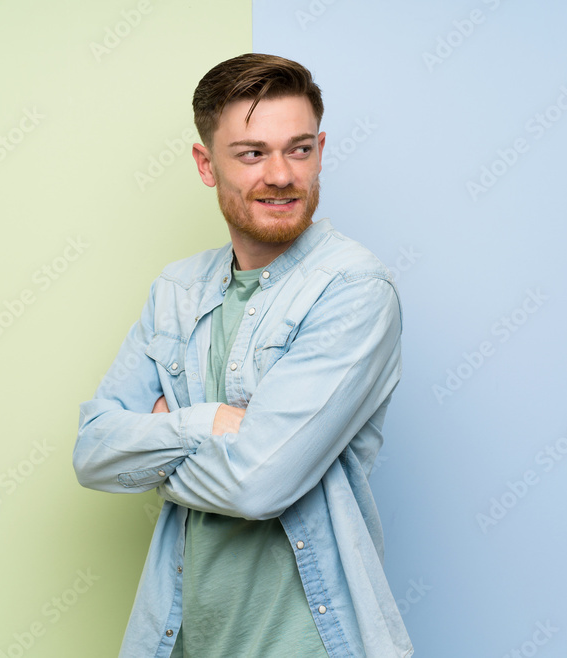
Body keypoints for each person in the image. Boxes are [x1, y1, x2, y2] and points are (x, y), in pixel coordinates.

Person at [74, 53, 413, 657]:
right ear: (207, 164)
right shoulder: (176, 292)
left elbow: (258, 486)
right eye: (252, 153)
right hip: (181, 639)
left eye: (299, 149)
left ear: (320, 150)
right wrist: (207, 423)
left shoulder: (353, 289)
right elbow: (94, 454)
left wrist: (154, 442)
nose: (281, 175)